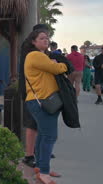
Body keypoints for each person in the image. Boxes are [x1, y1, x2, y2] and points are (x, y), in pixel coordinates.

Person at [23, 29, 68, 184]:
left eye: (47, 38)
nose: (46, 40)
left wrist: (52, 64)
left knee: (43, 135)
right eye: (42, 38)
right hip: (42, 101)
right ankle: (44, 172)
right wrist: (60, 65)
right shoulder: (35, 55)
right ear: (33, 42)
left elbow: (49, 69)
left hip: (43, 100)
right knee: (49, 136)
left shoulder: (41, 56)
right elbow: (57, 69)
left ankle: (41, 168)